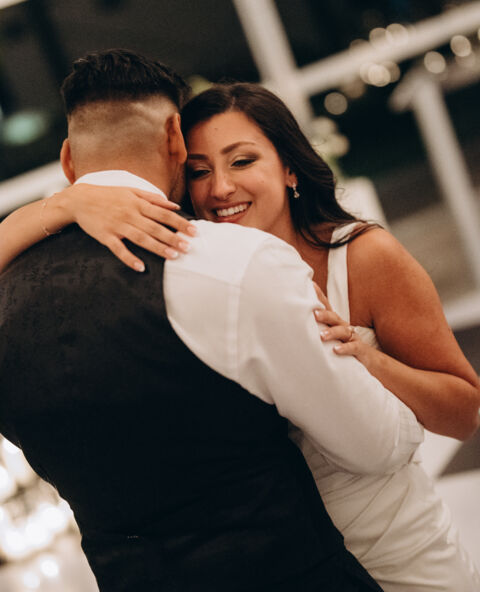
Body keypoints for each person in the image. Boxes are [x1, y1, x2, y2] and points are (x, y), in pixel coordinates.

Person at [3, 74, 478, 591]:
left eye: (242, 161)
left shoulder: (364, 255)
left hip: (396, 551)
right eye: (199, 171)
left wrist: (369, 360)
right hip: (298, 563)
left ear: (290, 166)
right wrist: (66, 204)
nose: (221, 188)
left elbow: (465, 410)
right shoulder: (194, 280)